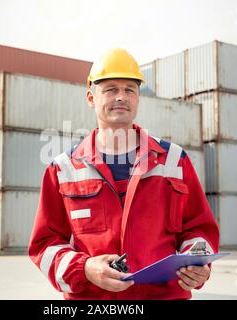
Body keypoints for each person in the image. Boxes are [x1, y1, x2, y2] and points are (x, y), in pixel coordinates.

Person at [29, 48, 219, 300]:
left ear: (138, 97)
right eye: (111, 89)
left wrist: (198, 262)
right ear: (90, 97)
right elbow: (45, 244)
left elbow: (198, 228)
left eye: (130, 89)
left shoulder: (174, 160)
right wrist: (85, 268)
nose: (121, 97)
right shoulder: (62, 169)